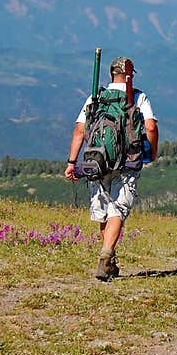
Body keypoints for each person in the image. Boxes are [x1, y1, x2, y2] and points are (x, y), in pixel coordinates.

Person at [64, 56, 158, 281]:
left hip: (97, 160)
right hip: (128, 160)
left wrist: (72, 162)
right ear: (130, 75)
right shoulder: (137, 97)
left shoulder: (96, 98)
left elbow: (79, 130)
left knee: (104, 210)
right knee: (119, 209)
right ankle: (106, 255)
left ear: (110, 75)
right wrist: (152, 152)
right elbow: (150, 126)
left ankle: (109, 261)